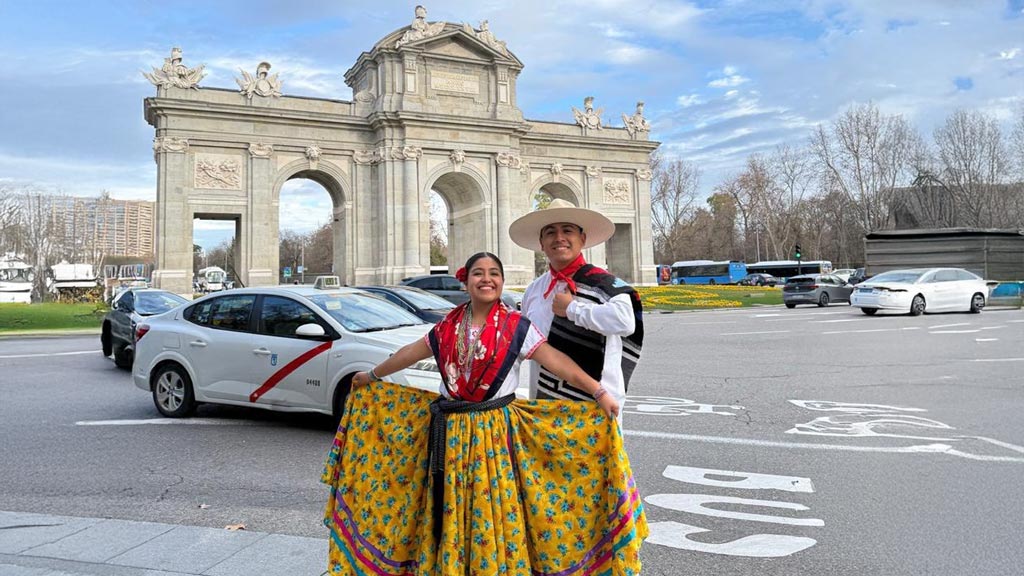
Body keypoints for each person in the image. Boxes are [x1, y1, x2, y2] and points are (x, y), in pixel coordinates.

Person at [322, 252, 646, 576]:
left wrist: (598, 391)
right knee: (450, 506)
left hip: (493, 436)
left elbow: (557, 362)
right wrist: (373, 375)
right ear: (466, 282)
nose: (486, 279)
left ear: (502, 282)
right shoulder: (448, 326)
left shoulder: (518, 327)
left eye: (494, 273)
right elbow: (409, 352)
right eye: (478, 273)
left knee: (491, 510)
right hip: (449, 434)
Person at [510, 198, 644, 420]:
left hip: (598, 404)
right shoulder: (534, 290)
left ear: (582, 239)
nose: (559, 237)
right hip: (546, 403)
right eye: (550, 232)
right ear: (541, 243)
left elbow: (625, 321)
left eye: (567, 230)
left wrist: (573, 309)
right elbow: (526, 344)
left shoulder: (603, 283)